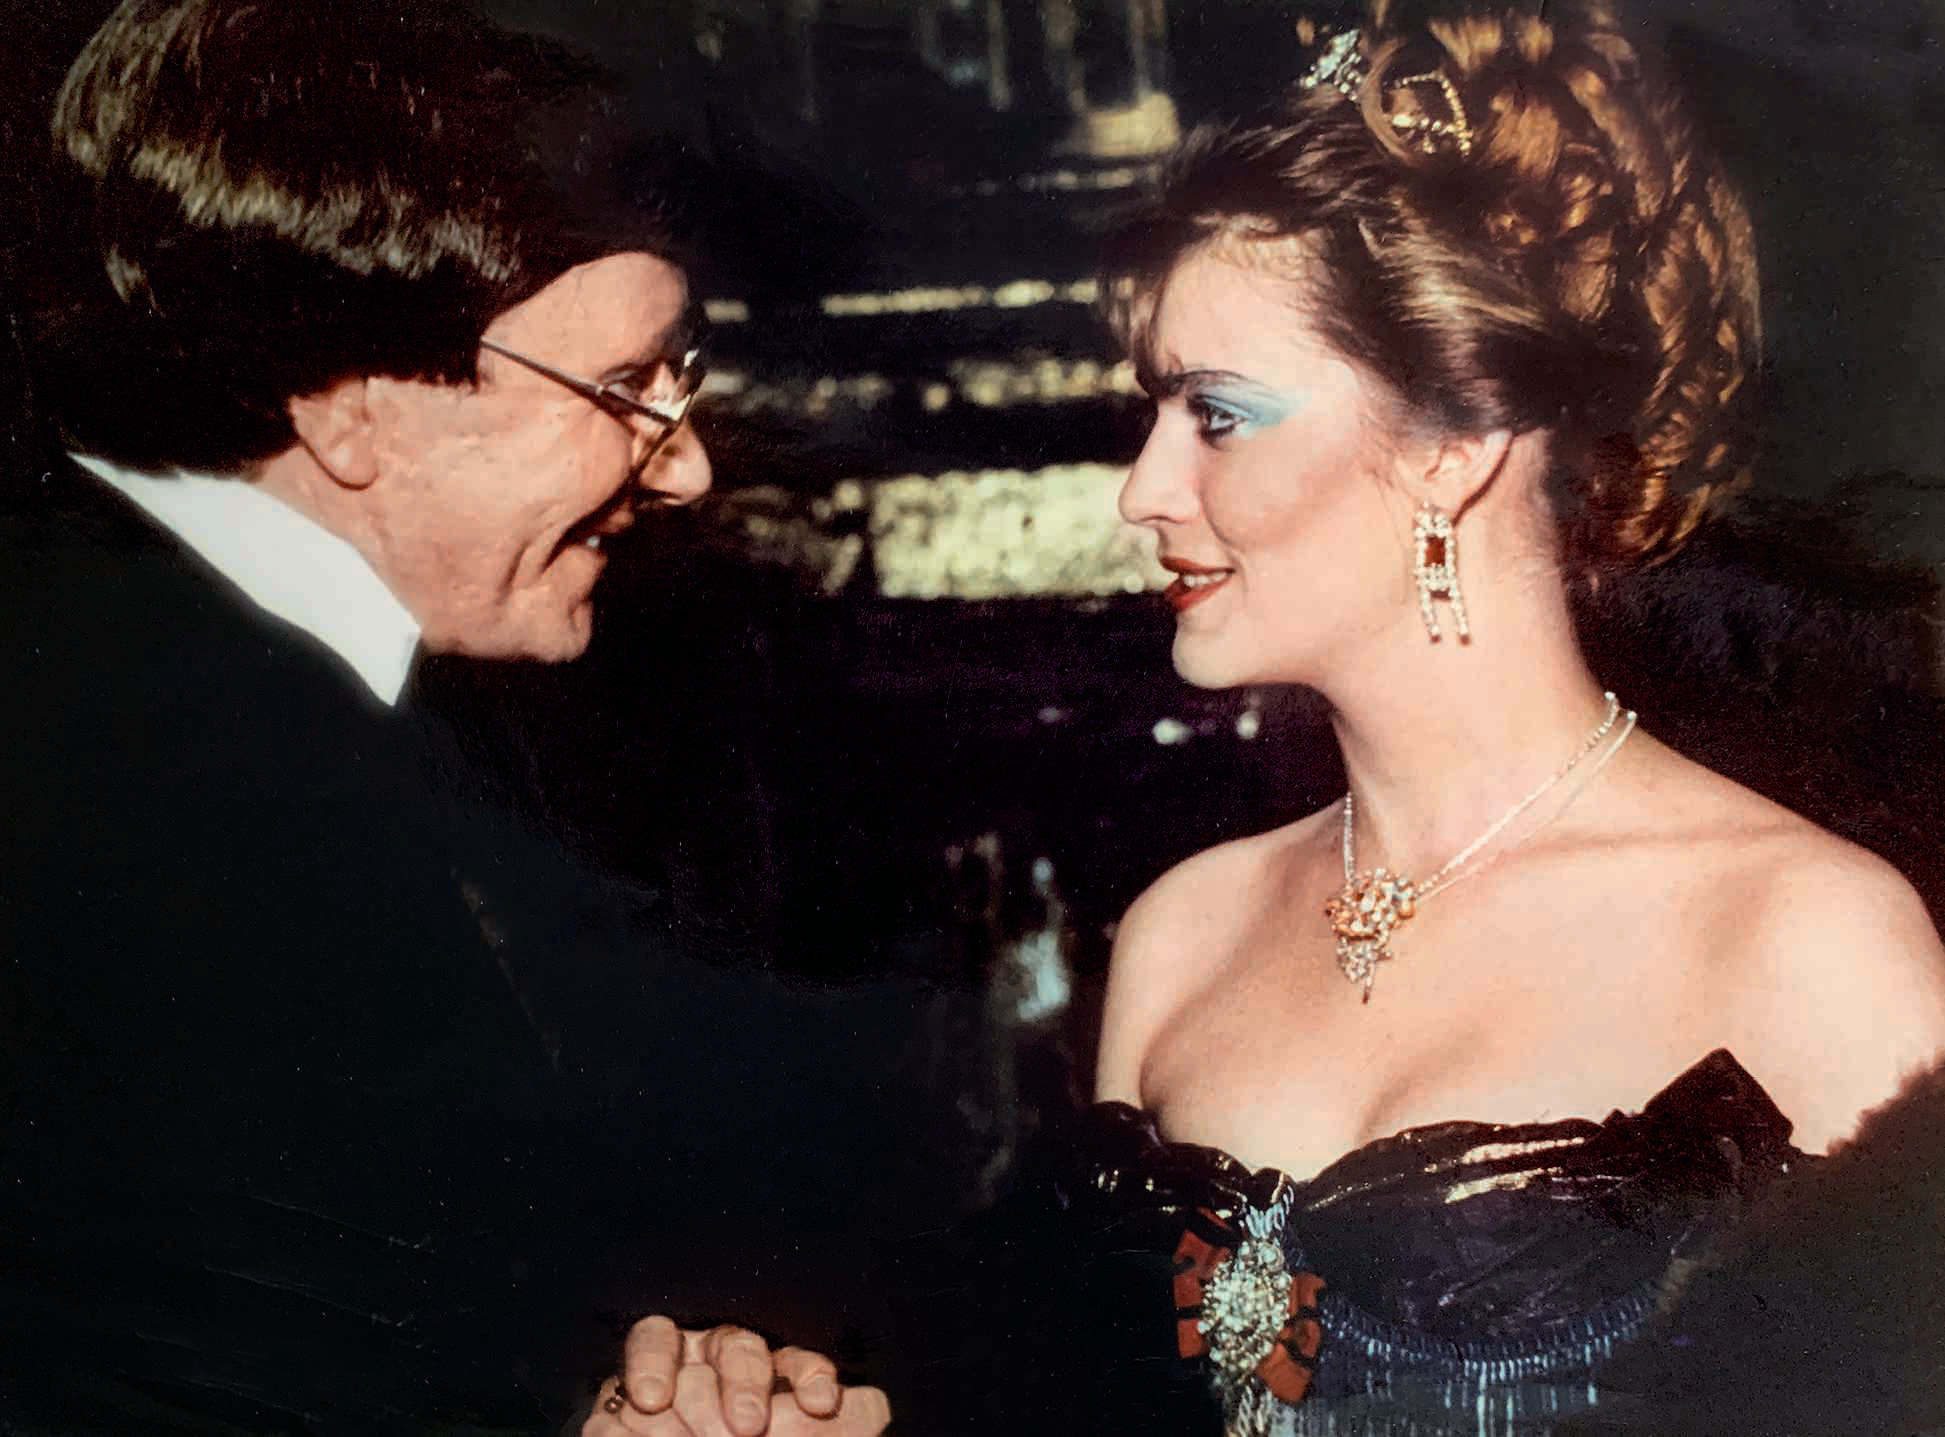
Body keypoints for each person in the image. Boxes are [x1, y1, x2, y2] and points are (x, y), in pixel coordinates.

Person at [0, 2, 889, 1433]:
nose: (687, 470)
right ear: (347, 405)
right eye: (624, 388)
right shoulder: (85, 757)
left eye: (680, 379)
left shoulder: (304, 688)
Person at [1068, 2, 1945, 1432]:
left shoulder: (1804, 940)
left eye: (1215, 414)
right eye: (1151, 415)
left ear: (1456, 443)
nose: (1142, 491)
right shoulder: (1180, 934)